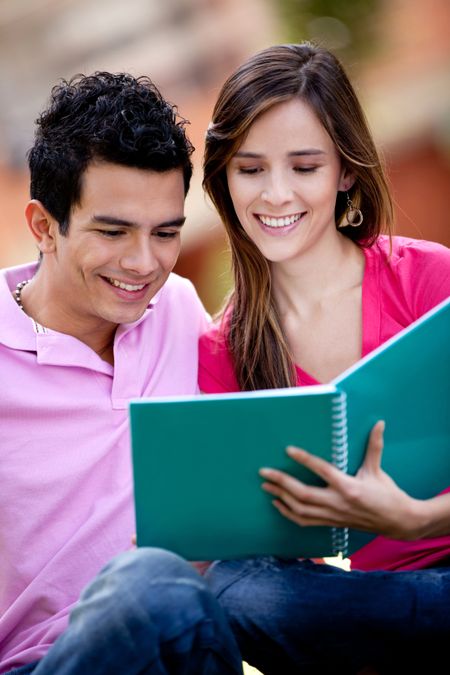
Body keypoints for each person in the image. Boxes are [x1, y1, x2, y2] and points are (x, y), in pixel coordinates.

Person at [199, 42, 450, 673]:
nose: (275, 194)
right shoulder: (221, 350)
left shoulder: (429, 280)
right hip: (353, 604)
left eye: (304, 167)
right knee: (228, 590)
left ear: (344, 170)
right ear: (223, 178)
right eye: (249, 169)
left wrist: (420, 520)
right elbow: (253, 564)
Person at [0, 72, 243, 674]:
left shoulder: (180, 311)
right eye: (112, 232)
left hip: (183, 638)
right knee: (148, 583)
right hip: (43, 664)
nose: (143, 264)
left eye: (165, 234)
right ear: (43, 227)